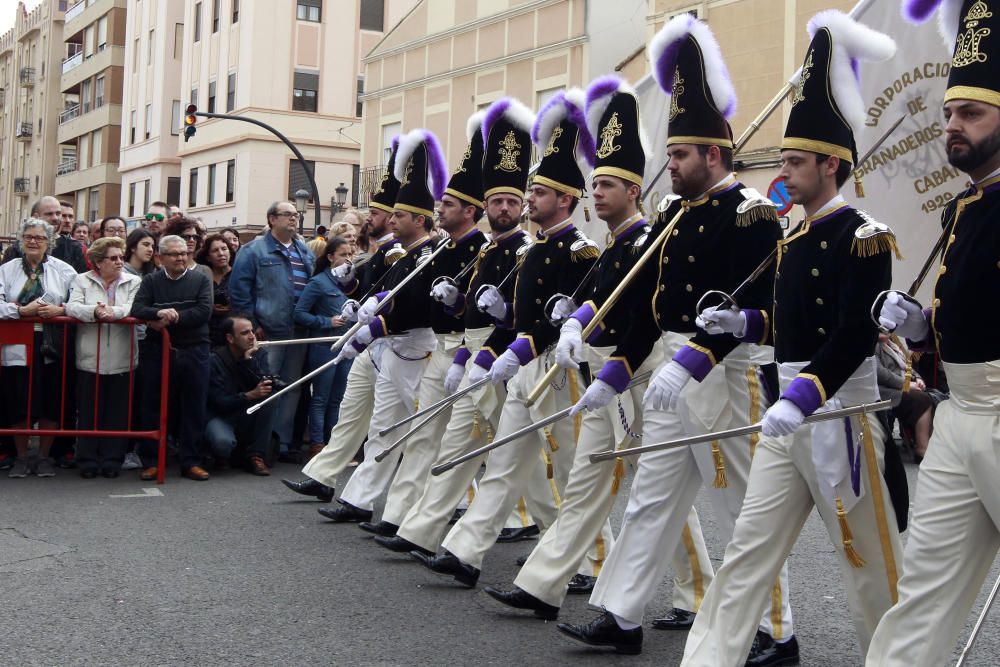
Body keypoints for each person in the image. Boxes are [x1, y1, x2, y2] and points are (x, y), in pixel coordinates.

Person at [553, 33, 796, 662]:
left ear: (714, 154)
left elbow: (756, 308)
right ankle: (622, 613)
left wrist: (699, 357)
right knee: (652, 499)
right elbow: (647, 309)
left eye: (681, 153)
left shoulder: (751, 215)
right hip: (666, 372)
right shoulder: (674, 216)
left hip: (725, 376)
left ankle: (776, 629)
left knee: (744, 510)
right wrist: (616, 370)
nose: (672, 164)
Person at [681, 13, 900, 665]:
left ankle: (898, 655)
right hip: (789, 412)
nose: (787, 171)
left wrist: (803, 394)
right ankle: (710, 655)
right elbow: (786, 323)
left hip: (838, 411)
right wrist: (742, 324)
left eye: (798, 162)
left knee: (867, 560)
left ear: (832, 164)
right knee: (748, 547)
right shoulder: (794, 236)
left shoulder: (863, 234)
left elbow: (855, 331)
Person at [413, 97, 596, 588]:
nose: (527, 199)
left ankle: (591, 563)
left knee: (567, 468)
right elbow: (519, 315)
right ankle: (465, 552)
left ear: (565, 199)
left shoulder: (580, 250)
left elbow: (567, 316)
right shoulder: (533, 249)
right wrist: (495, 343)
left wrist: (518, 342)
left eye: (536, 193)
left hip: (553, 369)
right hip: (519, 364)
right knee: (506, 463)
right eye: (529, 191)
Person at [866, 2, 1000, 664]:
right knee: (922, 586)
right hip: (962, 412)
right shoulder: (962, 204)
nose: (952, 125)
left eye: (970, 113)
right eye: (949, 113)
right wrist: (925, 324)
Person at [374, 109, 535, 558]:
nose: (503, 208)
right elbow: (468, 309)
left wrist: (484, 340)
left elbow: (525, 316)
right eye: (496, 201)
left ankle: (539, 529)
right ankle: (420, 529)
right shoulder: (485, 251)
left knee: (519, 453)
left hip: (509, 355)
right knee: (465, 441)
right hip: (469, 350)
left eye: (512, 201)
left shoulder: (522, 249)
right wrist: (461, 315)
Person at [357, 120, 488, 537]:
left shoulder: (481, 248)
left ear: (469, 211)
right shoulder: (444, 249)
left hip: (476, 350)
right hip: (446, 349)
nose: (440, 210)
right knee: (426, 433)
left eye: (447, 204)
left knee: (494, 441)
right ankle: (402, 517)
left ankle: (518, 515)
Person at [317, 128, 448, 523]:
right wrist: (364, 302)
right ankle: (358, 499)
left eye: (400, 215)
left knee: (427, 431)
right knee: (383, 426)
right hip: (392, 346)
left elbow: (416, 308)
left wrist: (374, 325)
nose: (391, 219)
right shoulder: (406, 253)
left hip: (416, 348)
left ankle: (451, 501)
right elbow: (385, 292)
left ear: (420, 220)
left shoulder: (429, 254)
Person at [282, 146, 401, 502]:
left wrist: (367, 317)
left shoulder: (401, 254)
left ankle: (451, 497)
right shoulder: (375, 254)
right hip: (370, 345)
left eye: (377, 212)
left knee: (398, 426)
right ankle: (323, 477)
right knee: (350, 412)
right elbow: (365, 293)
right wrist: (351, 291)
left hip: (397, 346)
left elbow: (398, 303)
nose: (370, 218)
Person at [229, 201, 315, 462]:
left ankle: (283, 443)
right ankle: (259, 445)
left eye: (295, 215)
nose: (293, 219)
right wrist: (253, 325)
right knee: (265, 386)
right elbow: (239, 290)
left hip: (300, 330)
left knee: (292, 388)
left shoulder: (305, 251)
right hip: (269, 332)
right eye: (287, 214)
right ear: (271, 219)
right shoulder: (253, 250)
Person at [130, 234, 213, 481]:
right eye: (174, 254)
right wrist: (157, 312)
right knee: (153, 406)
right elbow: (138, 309)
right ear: (160, 257)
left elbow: (203, 311)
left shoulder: (200, 279)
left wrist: (173, 317)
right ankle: (152, 461)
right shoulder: (150, 281)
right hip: (158, 352)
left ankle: (191, 461)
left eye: (184, 253)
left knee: (194, 407)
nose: (180, 258)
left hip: (195, 350)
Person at [0, 218, 78, 478]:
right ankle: (22, 457)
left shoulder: (64, 270)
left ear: (49, 242)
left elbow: (80, 300)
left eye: (40, 238)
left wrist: (61, 309)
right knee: (19, 400)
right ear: (21, 240)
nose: (34, 242)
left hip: (53, 343)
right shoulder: (7, 269)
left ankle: (44, 456)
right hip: (17, 343)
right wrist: (20, 311)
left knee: (50, 400)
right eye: (29, 237)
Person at [64, 237, 141, 478]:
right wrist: (95, 312)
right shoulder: (82, 280)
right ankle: (86, 459)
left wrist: (113, 312)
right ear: (98, 261)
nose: (120, 261)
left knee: (117, 413)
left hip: (122, 356)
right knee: (87, 412)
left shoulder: (134, 281)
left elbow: (134, 307)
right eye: (113, 258)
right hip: (89, 357)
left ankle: (112, 460)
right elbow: (71, 307)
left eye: (121, 257)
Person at [293, 237, 353, 457]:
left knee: (339, 398)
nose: (348, 259)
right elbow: (299, 313)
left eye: (350, 254)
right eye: (343, 255)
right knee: (321, 397)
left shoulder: (350, 283)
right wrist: (326, 322)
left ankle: (333, 443)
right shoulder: (318, 282)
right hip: (323, 346)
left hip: (347, 346)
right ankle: (317, 443)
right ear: (330, 257)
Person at [205, 314, 275, 476]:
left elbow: (266, 385)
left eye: (252, 331)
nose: (252, 337)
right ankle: (221, 454)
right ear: (230, 338)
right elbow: (217, 402)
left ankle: (256, 455)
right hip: (222, 415)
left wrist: (249, 361)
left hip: (247, 413)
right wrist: (248, 395)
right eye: (244, 333)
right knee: (222, 443)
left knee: (270, 398)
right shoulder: (214, 360)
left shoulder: (258, 354)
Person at [875, 333, 935, 459]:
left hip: (903, 387)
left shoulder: (893, 345)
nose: (886, 331)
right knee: (922, 400)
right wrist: (906, 384)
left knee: (934, 396)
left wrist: (918, 379)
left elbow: (908, 366)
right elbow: (881, 374)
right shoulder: (874, 346)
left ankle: (927, 443)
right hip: (885, 391)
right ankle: (922, 448)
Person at [195, 233, 233, 346]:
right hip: (209, 333)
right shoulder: (203, 276)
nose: (221, 253)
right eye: (215, 250)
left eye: (224, 249)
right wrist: (210, 307)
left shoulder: (239, 274)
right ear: (208, 257)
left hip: (234, 331)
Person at [164, 216, 211, 281]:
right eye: (186, 237)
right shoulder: (165, 269)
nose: (192, 240)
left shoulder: (205, 271)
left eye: (195, 237)